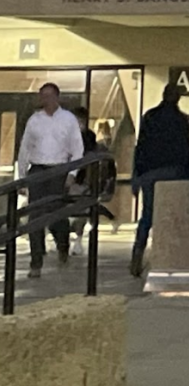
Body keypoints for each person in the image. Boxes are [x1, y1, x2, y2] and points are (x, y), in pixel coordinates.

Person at [16, 83, 85, 278]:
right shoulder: (34, 121)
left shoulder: (68, 120)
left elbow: (77, 149)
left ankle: (62, 245)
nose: (45, 100)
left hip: (59, 169)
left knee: (56, 214)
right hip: (38, 170)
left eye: (49, 96)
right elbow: (25, 149)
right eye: (42, 96)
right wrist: (22, 177)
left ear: (57, 97)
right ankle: (36, 262)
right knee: (35, 216)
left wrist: (72, 175)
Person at [129, 86, 189, 277]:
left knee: (147, 215)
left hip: (150, 173)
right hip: (175, 172)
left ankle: (137, 255)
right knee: (173, 216)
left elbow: (140, 146)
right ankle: (170, 257)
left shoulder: (150, 117)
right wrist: (188, 178)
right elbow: (186, 150)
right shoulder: (181, 120)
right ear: (178, 98)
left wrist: (136, 176)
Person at [68, 108, 116, 255]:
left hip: (81, 181)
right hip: (80, 180)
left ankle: (75, 239)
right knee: (80, 209)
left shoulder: (86, 138)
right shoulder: (77, 137)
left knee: (80, 208)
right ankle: (74, 239)